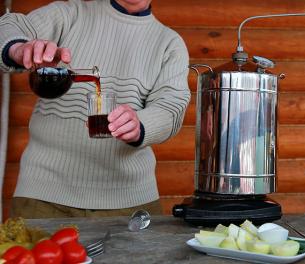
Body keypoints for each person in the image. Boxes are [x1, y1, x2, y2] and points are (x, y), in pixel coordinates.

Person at [0, 0, 190, 218]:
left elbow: (171, 106)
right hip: (42, 198)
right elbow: (8, 26)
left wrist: (141, 125)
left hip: (129, 203)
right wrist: (18, 48)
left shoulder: (169, 43)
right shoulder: (70, 14)